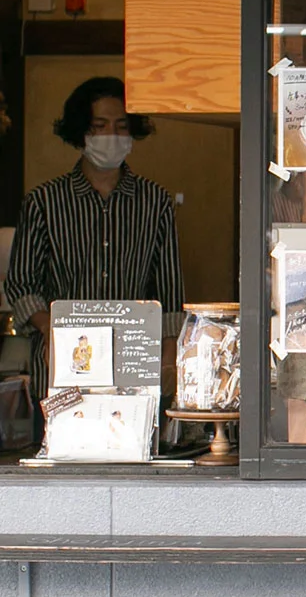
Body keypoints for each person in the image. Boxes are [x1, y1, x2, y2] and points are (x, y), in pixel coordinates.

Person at [5, 78, 184, 414]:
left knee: (129, 435)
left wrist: (169, 355)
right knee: (64, 438)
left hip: (134, 361)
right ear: (81, 132)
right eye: (99, 126)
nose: (111, 136)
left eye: (121, 126)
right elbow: (21, 283)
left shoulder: (155, 202)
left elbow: (169, 289)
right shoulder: (44, 202)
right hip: (62, 366)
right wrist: (51, 329)